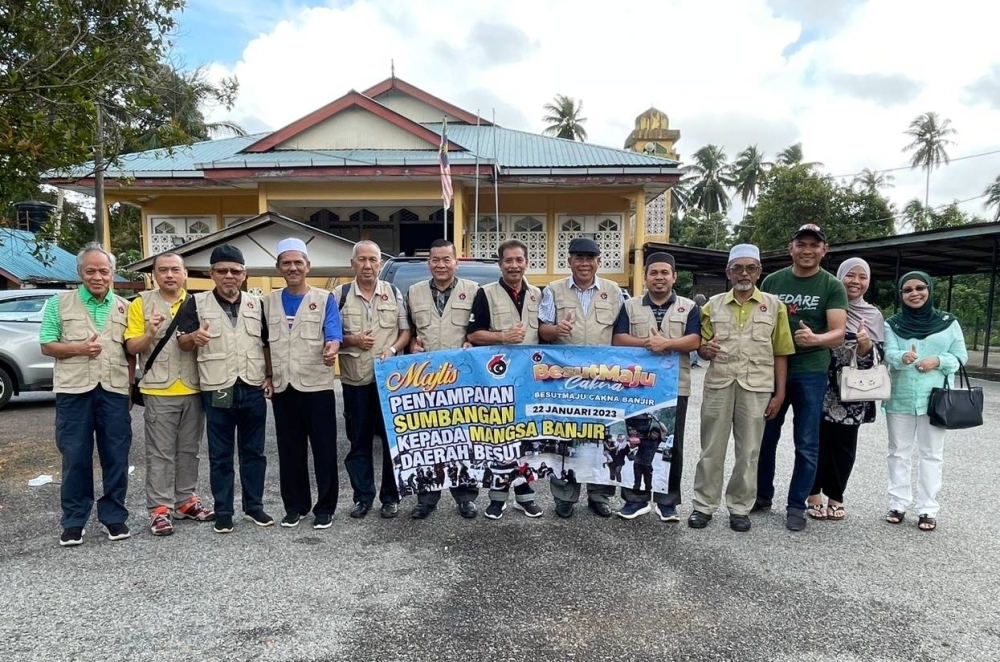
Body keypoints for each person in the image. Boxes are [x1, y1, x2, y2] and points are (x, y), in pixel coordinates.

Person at [688, 244, 794, 533]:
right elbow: (701, 346)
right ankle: (704, 505)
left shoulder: (774, 306)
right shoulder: (712, 305)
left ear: (759, 271)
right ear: (728, 272)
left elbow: (781, 352)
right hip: (720, 383)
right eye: (738, 268)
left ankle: (739, 507)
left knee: (749, 451)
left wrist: (779, 393)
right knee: (711, 448)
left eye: (750, 268)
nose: (744, 273)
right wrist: (705, 350)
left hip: (757, 387)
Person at [756, 224, 848, 532]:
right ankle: (761, 495)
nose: (807, 250)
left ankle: (796, 505)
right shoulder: (772, 281)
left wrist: (817, 339)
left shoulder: (831, 285)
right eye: (801, 244)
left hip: (811, 371)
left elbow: (838, 332)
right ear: (790, 248)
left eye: (814, 245)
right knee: (765, 438)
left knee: (806, 442)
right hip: (770, 371)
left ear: (825, 249)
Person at [40, 244, 133, 547]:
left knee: (116, 456)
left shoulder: (124, 306)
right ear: (80, 273)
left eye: (103, 271)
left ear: (112, 274)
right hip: (74, 391)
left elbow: (129, 351)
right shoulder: (59, 303)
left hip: (114, 390)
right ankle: (74, 520)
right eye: (90, 271)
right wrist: (79, 348)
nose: (97, 276)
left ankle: (114, 516)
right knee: (75, 455)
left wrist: (130, 387)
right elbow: (47, 345)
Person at [177, 244, 272, 534]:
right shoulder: (196, 303)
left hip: (252, 386)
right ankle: (224, 511)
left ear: (244, 274)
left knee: (253, 451)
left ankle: (254, 506)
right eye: (222, 270)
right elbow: (182, 341)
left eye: (235, 270)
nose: (229, 275)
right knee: (220, 454)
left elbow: (265, 344)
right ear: (212, 274)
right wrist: (194, 337)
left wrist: (269, 375)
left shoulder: (257, 304)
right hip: (218, 386)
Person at [125, 252, 213, 537]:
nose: (170, 275)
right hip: (158, 388)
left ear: (185, 273)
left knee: (190, 450)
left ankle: (186, 500)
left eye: (175, 270)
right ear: (154, 274)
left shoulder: (198, 303)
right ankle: (160, 510)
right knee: (160, 453)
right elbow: (132, 347)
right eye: (163, 270)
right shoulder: (140, 304)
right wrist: (150, 332)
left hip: (193, 386)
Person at [539, 236, 625, 518]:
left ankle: (599, 495)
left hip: (604, 381)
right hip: (566, 381)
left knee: (603, 437)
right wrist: (557, 330)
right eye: (579, 258)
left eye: (590, 259)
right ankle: (565, 495)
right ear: (569, 261)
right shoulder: (553, 290)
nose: (584, 263)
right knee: (565, 439)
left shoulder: (615, 292)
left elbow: (621, 335)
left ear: (598, 262)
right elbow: (543, 331)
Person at [611, 251, 700, 521]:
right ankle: (635, 499)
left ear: (674, 277)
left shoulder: (689, 307)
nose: (659, 278)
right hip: (637, 387)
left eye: (664, 273)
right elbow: (618, 338)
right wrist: (649, 344)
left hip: (675, 386)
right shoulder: (630, 306)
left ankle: (667, 501)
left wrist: (668, 344)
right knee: (634, 441)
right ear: (646, 277)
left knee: (672, 443)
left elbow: (695, 340)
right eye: (653, 273)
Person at [262, 238, 342, 530]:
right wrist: (268, 376)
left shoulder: (324, 299)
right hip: (284, 387)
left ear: (308, 267)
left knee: (324, 448)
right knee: (289, 449)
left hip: (317, 385)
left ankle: (326, 507)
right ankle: (294, 506)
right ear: (279, 268)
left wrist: (332, 347)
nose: (293, 268)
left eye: (298, 263)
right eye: (287, 263)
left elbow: (333, 332)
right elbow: (264, 345)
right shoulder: (268, 302)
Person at [883, 271, 967, 532]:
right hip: (901, 397)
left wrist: (939, 361)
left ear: (930, 290)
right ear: (901, 295)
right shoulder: (893, 324)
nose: (914, 293)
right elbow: (888, 353)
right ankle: (898, 503)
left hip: (936, 398)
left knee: (932, 454)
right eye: (907, 290)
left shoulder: (948, 322)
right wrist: (902, 358)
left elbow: (961, 356)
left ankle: (928, 509)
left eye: (920, 288)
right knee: (899, 452)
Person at [467, 238, 544, 519]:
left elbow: (545, 336)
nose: (514, 265)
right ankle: (497, 498)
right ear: (500, 264)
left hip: (530, 382)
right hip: (497, 383)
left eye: (519, 260)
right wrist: (502, 337)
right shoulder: (485, 294)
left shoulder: (538, 294)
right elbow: (474, 335)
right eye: (508, 261)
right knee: (499, 443)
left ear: (526, 263)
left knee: (526, 443)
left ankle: (525, 496)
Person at [406, 238, 480, 519]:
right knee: (427, 442)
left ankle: (465, 497)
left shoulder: (473, 291)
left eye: (446, 259)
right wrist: (412, 345)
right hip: (426, 382)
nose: (441, 264)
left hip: (462, 383)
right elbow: (409, 331)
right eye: (435, 259)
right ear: (428, 263)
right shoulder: (414, 292)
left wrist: (474, 346)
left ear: (456, 262)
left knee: (463, 441)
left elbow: (479, 330)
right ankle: (427, 498)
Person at [337, 240, 410, 520]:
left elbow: (405, 332)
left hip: (390, 384)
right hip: (355, 381)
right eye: (362, 259)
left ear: (381, 263)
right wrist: (352, 340)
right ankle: (362, 497)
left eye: (373, 260)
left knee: (393, 443)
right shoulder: (339, 295)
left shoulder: (393, 292)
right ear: (353, 263)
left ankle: (390, 497)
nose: (367, 265)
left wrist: (392, 349)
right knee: (359, 443)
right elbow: (328, 336)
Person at [807, 258, 885, 521]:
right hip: (820, 381)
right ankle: (813, 493)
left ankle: (836, 495)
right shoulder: (826, 305)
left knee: (844, 446)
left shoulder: (873, 315)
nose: (856, 281)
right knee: (814, 440)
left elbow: (878, 356)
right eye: (850, 275)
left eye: (862, 277)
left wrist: (864, 346)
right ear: (839, 277)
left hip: (853, 389)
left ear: (868, 282)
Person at [690, 294, 708, 367]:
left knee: (694, 347)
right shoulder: (699, 309)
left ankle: (694, 361)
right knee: (694, 347)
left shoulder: (697, 309)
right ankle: (693, 362)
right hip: (696, 330)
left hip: (696, 329)